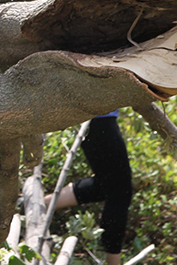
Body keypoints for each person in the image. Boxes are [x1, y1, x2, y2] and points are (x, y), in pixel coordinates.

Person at [45, 110, 133, 265]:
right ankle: (113, 261)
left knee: (104, 186)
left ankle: (41, 204)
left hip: (99, 122)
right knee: (120, 193)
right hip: (100, 121)